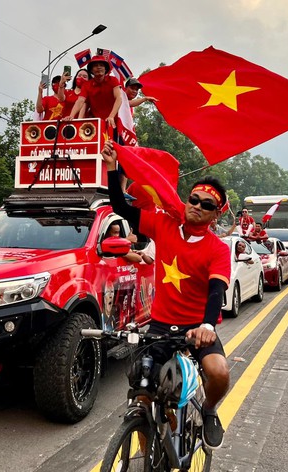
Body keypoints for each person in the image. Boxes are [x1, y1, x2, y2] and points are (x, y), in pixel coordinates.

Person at [101, 140, 231, 448]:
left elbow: (216, 292)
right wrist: (111, 168)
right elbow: (121, 209)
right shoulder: (164, 224)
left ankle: (209, 411)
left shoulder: (218, 249)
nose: (197, 205)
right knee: (142, 393)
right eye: (194, 199)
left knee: (219, 372)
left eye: (207, 205)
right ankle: (149, 454)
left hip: (197, 329)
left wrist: (207, 327)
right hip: (159, 326)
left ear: (215, 215)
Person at [66, 55, 122, 131]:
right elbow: (80, 100)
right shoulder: (86, 85)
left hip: (113, 122)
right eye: (95, 65)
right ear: (91, 70)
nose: (99, 67)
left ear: (105, 69)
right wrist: (71, 116)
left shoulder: (113, 80)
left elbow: (119, 98)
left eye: (101, 65)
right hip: (96, 124)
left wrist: (111, 116)